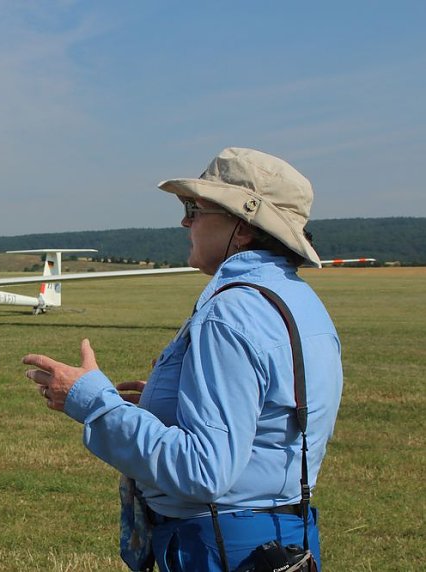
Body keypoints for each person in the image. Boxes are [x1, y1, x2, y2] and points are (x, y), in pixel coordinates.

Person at [23, 147, 342, 571]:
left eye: (195, 209)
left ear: (244, 229)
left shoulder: (230, 312)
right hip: (283, 538)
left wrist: (93, 401)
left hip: (222, 548)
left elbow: (203, 471)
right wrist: (168, 406)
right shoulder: (301, 300)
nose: (185, 222)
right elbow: (267, 420)